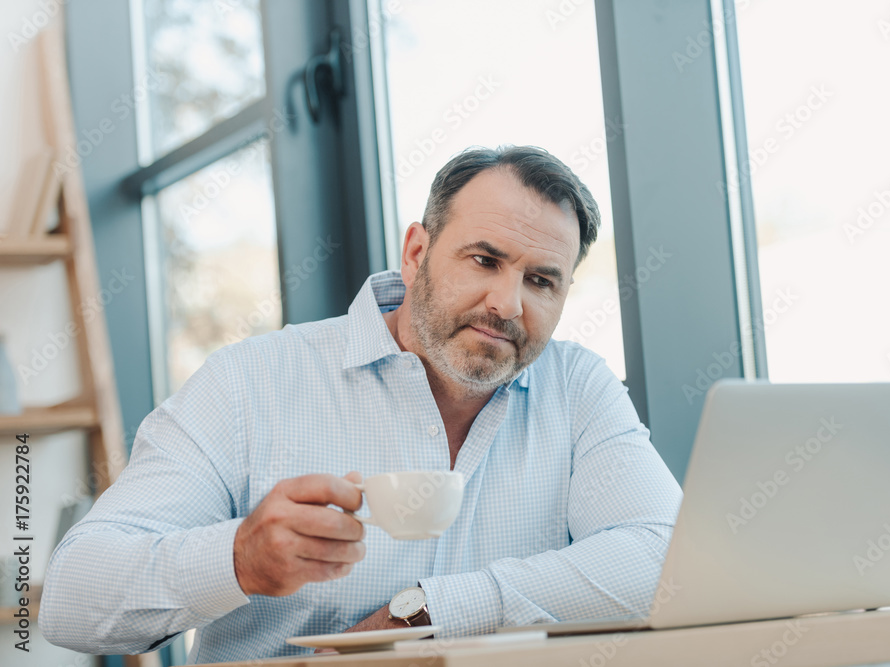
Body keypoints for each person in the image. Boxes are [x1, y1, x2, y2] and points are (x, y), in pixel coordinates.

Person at [39, 145, 683, 663]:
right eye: (484, 260)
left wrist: (431, 611)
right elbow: (72, 598)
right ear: (416, 253)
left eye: (541, 281)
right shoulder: (251, 382)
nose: (507, 304)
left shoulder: (577, 388)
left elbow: (666, 555)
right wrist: (239, 559)